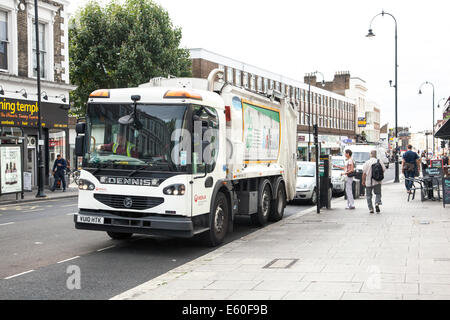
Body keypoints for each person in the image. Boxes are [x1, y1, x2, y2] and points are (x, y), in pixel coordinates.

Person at [362, 150, 386, 214]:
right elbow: (383, 169)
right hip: (377, 181)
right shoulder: (379, 161)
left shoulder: (367, 162)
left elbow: (364, 173)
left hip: (368, 182)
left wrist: (363, 181)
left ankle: (371, 209)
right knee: (378, 193)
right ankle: (377, 203)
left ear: (370, 154)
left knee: (368, 196)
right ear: (376, 155)